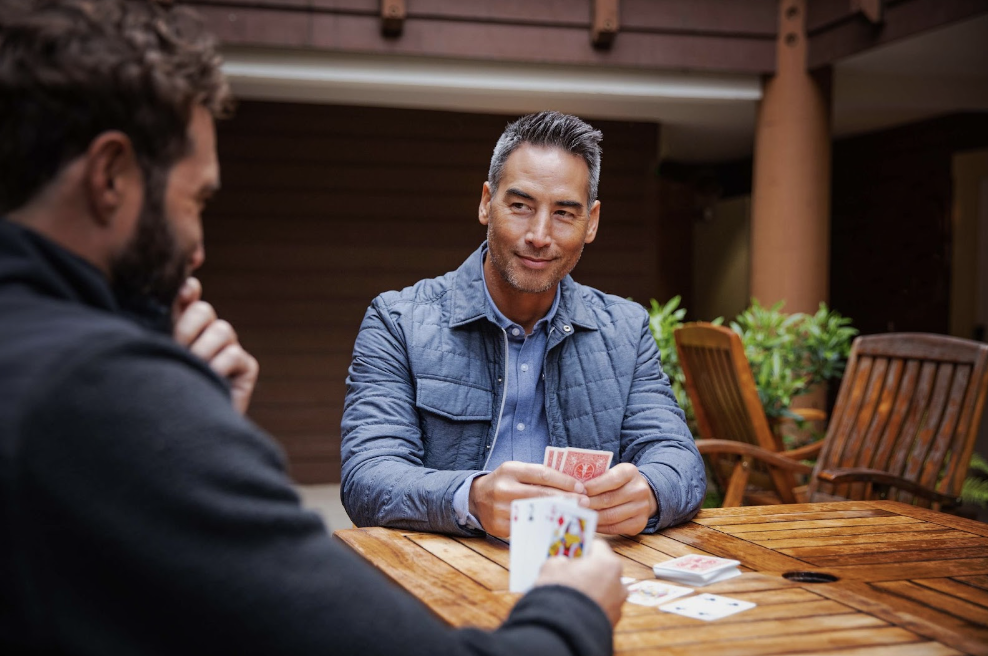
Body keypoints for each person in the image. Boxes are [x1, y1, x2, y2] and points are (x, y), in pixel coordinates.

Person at [0, 1, 626, 654]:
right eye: (198, 200)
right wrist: (573, 607)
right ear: (109, 177)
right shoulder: (98, 390)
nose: (198, 247)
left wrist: (191, 425)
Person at [341, 111, 706, 539]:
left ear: (591, 223)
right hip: (447, 570)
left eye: (565, 213)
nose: (538, 234)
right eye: (520, 206)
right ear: (485, 203)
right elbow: (368, 476)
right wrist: (471, 497)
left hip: (578, 568)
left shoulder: (625, 329)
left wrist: (650, 491)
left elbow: (678, 458)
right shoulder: (398, 321)